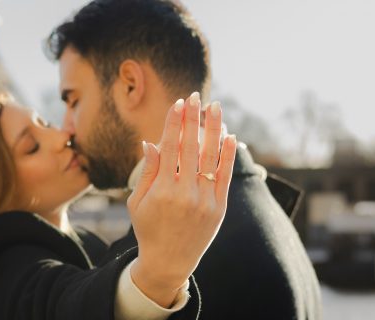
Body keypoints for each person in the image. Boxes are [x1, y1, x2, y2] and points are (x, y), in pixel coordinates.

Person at [47, 0, 323, 319]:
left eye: (73, 101)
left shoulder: (170, 262)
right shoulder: (263, 210)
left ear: (130, 85)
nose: (65, 126)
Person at [0, 92, 237, 319]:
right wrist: (157, 275)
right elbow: (54, 304)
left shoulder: (89, 244)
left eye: (45, 123)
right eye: (30, 146)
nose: (63, 135)